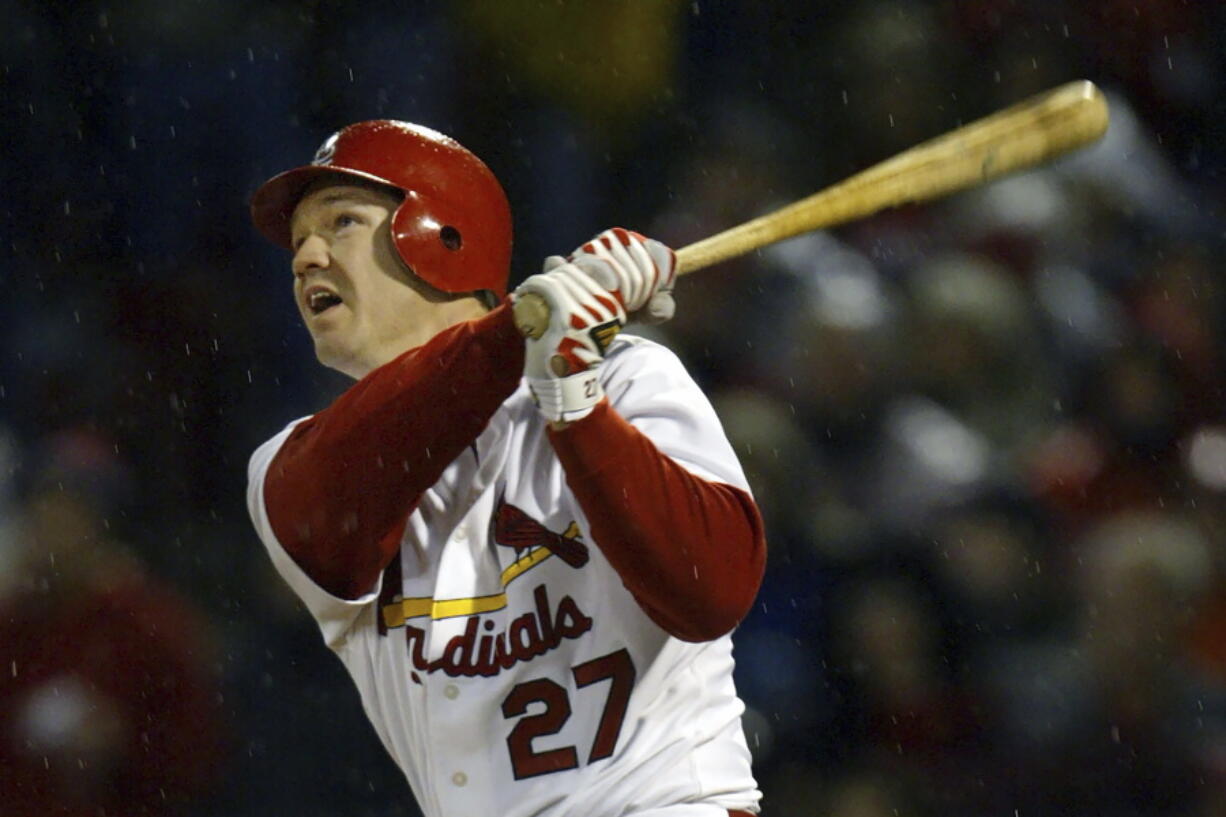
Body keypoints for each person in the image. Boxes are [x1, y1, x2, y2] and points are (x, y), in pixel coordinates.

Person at [245, 119, 766, 816]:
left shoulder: (627, 376)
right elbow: (335, 498)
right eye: (298, 244)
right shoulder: (294, 464)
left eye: (340, 222)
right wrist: (527, 324)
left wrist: (575, 399)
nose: (305, 256)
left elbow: (713, 591)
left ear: (442, 236)